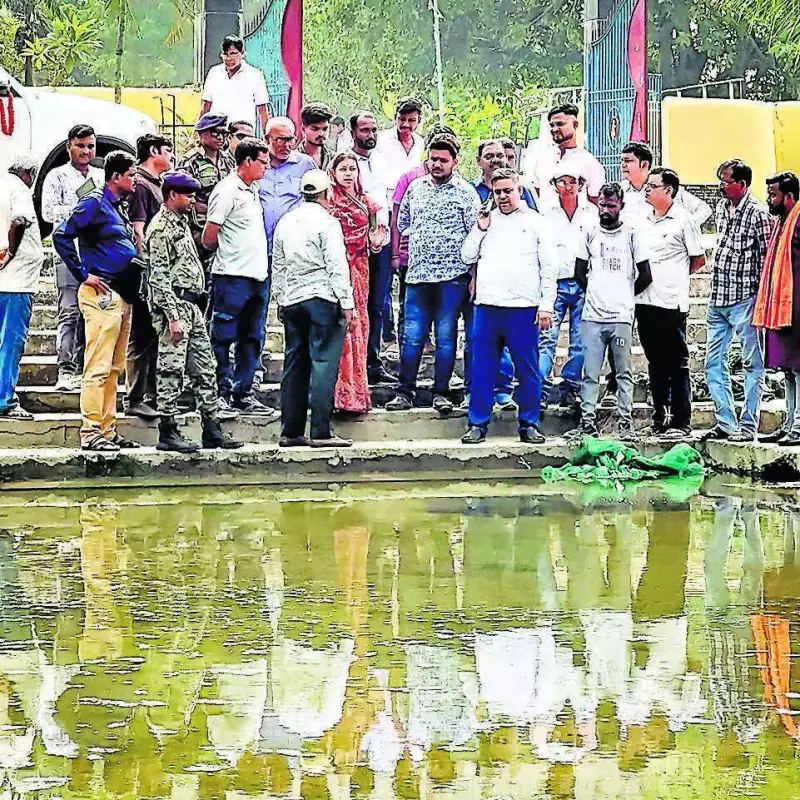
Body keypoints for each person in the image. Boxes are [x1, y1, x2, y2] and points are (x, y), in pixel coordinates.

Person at [53, 151, 143, 452]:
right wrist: (82, 273)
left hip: (122, 293)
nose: (135, 180)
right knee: (98, 365)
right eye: (131, 174)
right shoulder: (92, 202)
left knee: (115, 365)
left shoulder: (117, 206)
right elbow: (62, 235)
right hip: (101, 293)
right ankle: (91, 430)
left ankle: (107, 427)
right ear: (116, 176)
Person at [146, 171, 242, 452]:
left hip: (191, 306)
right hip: (174, 307)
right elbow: (158, 276)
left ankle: (211, 429)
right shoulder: (162, 228)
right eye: (188, 195)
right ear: (173, 195)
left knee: (205, 368)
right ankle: (168, 430)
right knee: (171, 370)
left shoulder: (180, 223)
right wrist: (172, 317)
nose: (192, 201)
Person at [460, 169, 556, 444]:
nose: (502, 196)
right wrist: (479, 228)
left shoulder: (537, 222)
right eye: (497, 191)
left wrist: (546, 304)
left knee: (527, 370)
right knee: (482, 369)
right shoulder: (487, 221)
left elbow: (549, 267)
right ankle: (477, 423)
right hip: (488, 307)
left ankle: (529, 424)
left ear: (519, 190)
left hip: (524, 308)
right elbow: (466, 255)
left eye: (507, 191)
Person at [386, 135, 480, 413]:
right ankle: (404, 392)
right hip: (417, 276)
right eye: (433, 159)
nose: (437, 164)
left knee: (446, 336)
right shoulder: (415, 188)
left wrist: (473, 275)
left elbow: (476, 232)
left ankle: (441, 392)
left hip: (453, 278)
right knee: (412, 336)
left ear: (455, 162)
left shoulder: (465, 192)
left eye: (443, 160)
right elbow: (402, 223)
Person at [272, 169, 355, 448]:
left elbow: (279, 265)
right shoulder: (328, 223)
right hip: (323, 298)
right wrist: (347, 303)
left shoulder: (286, 221)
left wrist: (280, 299)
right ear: (326, 193)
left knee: (295, 364)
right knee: (323, 364)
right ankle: (321, 432)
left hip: (293, 300)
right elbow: (336, 265)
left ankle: (291, 431)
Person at [572, 183, 651, 441]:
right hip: (593, 317)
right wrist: (596, 292)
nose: (605, 210)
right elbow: (579, 272)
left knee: (623, 373)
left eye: (611, 205)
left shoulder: (632, 235)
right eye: (602, 205)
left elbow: (645, 275)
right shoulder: (589, 232)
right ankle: (587, 422)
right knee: (590, 373)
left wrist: (625, 295)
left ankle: (625, 423)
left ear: (621, 206)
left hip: (621, 318)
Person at [202, 137, 274, 415]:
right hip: (231, 275)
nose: (267, 167)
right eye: (263, 162)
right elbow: (210, 235)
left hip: (257, 275)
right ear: (247, 162)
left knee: (252, 337)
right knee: (222, 336)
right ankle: (220, 392)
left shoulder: (252, 189)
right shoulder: (227, 190)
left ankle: (243, 393)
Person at [703, 159, 771, 443]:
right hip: (717, 297)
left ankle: (748, 425)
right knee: (712, 363)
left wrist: (760, 299)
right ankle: (726, 421)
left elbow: (768, 259)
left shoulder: (758, 214)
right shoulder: (720, 208)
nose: (720, 185)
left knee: (752, 364)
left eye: (725, 181)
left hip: (745, 299)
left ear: (742, 185)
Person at [636, 167, 706, 440]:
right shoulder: (642, 220)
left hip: (671, 302)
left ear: (669, 191)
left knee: (676, 363)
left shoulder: (683, 221)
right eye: (648, 185)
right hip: (644, 300)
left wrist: (674, 276)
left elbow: (698, 259)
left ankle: (681, 419)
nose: (647, 189)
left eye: (653, 186)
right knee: (654, 363)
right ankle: (659, 416)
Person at [41, 124, 103, 392]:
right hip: (69, 252)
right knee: (69, 310)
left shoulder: (101, 176)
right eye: (81, 146)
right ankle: (66, 368)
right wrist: (82, 209)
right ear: (69, 147)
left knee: (96, 311)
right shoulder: (57, 177)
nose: (86, 151)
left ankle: (90, 367)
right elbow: (47, 212)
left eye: (90, 146)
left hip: (98, 254)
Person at [327, 151, 386, 413]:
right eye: (343, 169)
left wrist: (374, 245)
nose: (348, 174)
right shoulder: (328, 204)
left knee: (359, 327)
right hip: (335, 270)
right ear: (333, 173)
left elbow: (374, 238)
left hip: (360, 272)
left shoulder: (367, 204)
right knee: (338, 327)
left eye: (353, 168)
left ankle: (356, 395)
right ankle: (335, 394)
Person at [539, 165, 598, 410]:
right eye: (562, 182)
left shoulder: (591, 213)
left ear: (581, 185)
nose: (567, 187)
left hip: (584, 282)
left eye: (572, 182)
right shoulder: (547, 214)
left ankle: (570, 384)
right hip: (555, 281)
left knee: (581, 339)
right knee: (546, 338)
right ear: (555, 186)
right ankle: (539, 388)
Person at [125, 133, 174, 421]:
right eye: (167, 150)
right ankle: (135, 397)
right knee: (141, 336)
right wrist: (148, 265)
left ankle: (150, 395)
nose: (171, 155)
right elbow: (138, 228)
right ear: (153, 151)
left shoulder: (155, 184)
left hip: (157, 270)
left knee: (152, 336)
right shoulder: (142, 185)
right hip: (146, 270)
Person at [753, 172, 800, 446]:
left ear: (790, 196)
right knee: (787, 369)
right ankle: (790, 424)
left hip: (796, 307)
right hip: (781, 308)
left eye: (774, 195)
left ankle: (798, 428)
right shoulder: (782, 222)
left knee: (798, 368)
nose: (770, 200)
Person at [349, 111, 395, 386]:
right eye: (364, 130)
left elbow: (387, 202)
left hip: (382, 243)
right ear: (354, 133)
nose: (370, 135)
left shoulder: (382, 161)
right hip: (355, 246)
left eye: (374, 130)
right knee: (355, 305)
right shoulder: (345, 162)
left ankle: (372, 362)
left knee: (377, 305)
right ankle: (353, 364)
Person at [0, 155, 43, 420]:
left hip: (7, 280)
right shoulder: (19, 188)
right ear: (29, 173)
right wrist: (10, 254)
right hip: (16, 280)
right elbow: (20, 220)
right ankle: (4, 399)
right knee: (11, 341)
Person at [528, 104, 605, 213]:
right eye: (552, 125)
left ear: (575, 124)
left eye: (560, 124)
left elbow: (596, 201)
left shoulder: (589, 162)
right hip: (546, 225)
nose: (555, 129)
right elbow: (537, 195)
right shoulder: (542, 159)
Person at [258, 116, 316, 258]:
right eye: (281, 140)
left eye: (291, 139)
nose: (287, 145)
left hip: (293, 248)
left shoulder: (305, 165)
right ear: (267, 139)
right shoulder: (257, 164)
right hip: (259, 247)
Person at [620, 141, 712, 225]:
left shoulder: (665, 188)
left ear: (644, 164)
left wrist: (684, 229)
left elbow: (704, 209)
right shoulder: (620, 190)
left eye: (628, 161)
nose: (623, 165)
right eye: (622, 161)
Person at [200, 34, 269, 133]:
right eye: (225, 54)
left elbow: (262, 110)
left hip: (242, 131)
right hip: (217, 130)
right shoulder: (214, 72)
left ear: (242, 53)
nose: (229, 58)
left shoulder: (255, 75)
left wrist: (266, 136)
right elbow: (205, 106)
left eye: (233, 53)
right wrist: (197, 134)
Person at [472, 139, 536, 210]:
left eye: (500, 156)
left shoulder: (519, 188)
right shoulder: (471, 189)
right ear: (479, 161)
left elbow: (532, 216)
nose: (496, 160)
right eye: (489, 157)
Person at [298, 102, 335, 169]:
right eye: (315, 129)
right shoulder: (293, 159)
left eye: (325, 129)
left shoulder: (335, 159)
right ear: (303, 129)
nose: (321, 134)